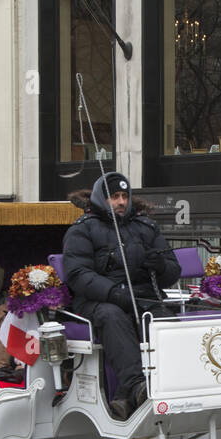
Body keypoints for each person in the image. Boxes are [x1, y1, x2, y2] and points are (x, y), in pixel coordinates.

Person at [62, 172, 182, 420]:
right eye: (114, 197)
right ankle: (136, 386)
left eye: (124, 196)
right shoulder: (82, 230)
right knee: (113, 316)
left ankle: (166, 384)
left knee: (164, 320)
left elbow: (172, 270)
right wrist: (113, 292)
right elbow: (77, 274)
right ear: (101, 198)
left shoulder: (146, 227)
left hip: (143, 298)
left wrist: (160, 265)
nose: (121, 202)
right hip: (99, 301)